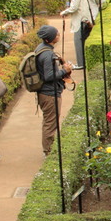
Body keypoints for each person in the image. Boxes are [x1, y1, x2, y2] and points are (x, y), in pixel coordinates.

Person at [35, 25, 72, 157]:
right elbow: (48, 76)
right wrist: (65, 71)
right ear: (49, 38)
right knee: (50, 124)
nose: (58, 36)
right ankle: (49, 152)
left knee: (49, 122)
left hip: (46, 93)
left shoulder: (42, 49)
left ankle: (49, 149)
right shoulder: (47, 54)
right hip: (49, 94)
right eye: (56, 34)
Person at [60, 0, 103, 70]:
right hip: (82, 20)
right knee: (80, 42)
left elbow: (74, 8)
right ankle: (82, 63)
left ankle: (81, 64)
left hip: (81, 21)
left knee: (78, 42)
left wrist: (64, 12)